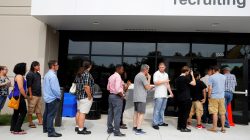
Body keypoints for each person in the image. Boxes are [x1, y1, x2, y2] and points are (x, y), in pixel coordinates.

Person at [43, 60, 62, 137]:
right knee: (51, 115)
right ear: (53, 66)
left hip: (47, 97)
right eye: (57, 65)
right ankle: (51, 132)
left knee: (47, 114)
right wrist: (59, 95)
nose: (58, 66)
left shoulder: (47, 74)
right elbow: (55, 89)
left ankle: (46, 128)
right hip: (53, 98)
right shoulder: (53, 76)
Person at [152, 62, 174, 130]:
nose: (161, 68)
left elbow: (167, 84)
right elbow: (155, 82)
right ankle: (155, 123)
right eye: (160, 67)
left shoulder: (166, 74)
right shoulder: (156, 73)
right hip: (158, 95)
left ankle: (161, 122)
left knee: (162, 110)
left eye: (163, 67)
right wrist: (164, 81)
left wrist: (171, 92)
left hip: (165, 95)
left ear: (165, 67)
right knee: (157, 110)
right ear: (158, 67)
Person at [133, 64, 153, 135]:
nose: (148, 71)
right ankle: (138, 130)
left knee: (136, 112)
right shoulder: (142, 76)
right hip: (141, 98)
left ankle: (135, 127)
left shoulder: (137, 75)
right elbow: (147, 87)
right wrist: (149, 78)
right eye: (148, 69)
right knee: (141, 113)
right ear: (145, 69)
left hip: (136, 97)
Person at [74, 60, 94, 135]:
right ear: (90, 66)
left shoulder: (79, 73)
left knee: (79, 111)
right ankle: (81, 129)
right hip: (85, 97)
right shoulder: (87, 74)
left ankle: (77, 126)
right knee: (83, 113)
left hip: (79, 96)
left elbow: (77, 84)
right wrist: (89, 96)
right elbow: (86, 86)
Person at [107, 65, 126, 137]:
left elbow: (108, 88)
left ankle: (109, 129)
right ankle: (117, 131)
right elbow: (118, 90)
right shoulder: (118, 77)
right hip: (117, 97)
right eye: (122, 69)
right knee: (117, 115)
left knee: (110, 113)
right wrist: (122, 96)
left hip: (111, 96)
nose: (123, 71)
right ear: (118, 69)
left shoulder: (111, 76)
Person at [175, 66, 196, 132]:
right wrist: (192, 75)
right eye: (189, 72)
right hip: (186, 98)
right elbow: (194, 84)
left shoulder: (177, 78)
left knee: (180, 112)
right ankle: (183, 127)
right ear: (186, 71)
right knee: (185, 113)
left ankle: (179, 126)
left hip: (179, 98)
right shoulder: (185, 78)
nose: (189, 73)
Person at [207, 66, 226, 133]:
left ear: (213, 70)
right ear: (219, 70)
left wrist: (209, 96)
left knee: (214, 113)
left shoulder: (211, 77)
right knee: (222, 113)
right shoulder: (224, 77)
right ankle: (223, 128)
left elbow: (210, 88)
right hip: (221, 96)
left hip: (214, 96)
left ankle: (214, 128)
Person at [10, 63, 28, 134]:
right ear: (22, 68)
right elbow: (21, 88)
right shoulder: (20, 76)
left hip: (16, 96)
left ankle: (13, 128)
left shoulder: (17, 76)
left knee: (16, 112)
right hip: (19, 96)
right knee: (24, 112)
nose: (26, 69)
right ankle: (17, 129)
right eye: (25, 67)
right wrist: (25, 96)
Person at [26, 61, 43, 128]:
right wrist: (30, 95)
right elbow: (29, 85)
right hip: (32, 95)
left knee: (38, 109)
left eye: (39, 65)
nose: (39, 67)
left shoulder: (38, 74)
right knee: (31, 109)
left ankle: (40, 121)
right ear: (34, 66)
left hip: (38, 94)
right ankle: (30, 122)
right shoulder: (30, 74)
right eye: (38, 66)